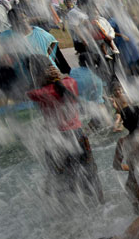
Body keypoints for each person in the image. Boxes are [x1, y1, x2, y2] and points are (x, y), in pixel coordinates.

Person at [27, 63, 104, 204]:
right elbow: (65, 80)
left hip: (59, 139)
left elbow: (30, 94)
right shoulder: (70, 83)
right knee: (90, 170)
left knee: (63, 175)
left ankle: (70, 208)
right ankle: (100, 201)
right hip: (79, 135)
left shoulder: (41, 93)